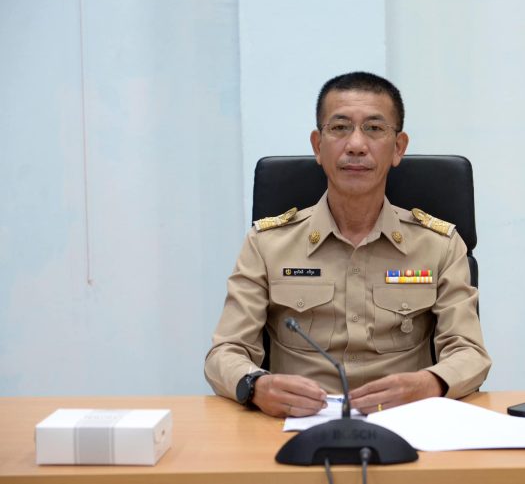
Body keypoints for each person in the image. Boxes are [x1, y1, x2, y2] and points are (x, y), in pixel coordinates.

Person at [204, 71, 491, 417]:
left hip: (405, 423)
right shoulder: (267, 245)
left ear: (398, 148)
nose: (356, 144)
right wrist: (255, 386)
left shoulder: (439, 246)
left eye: (374, 128)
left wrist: (430, 383)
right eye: (340, 128)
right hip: (295, 426)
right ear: (317, 146)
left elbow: (470, 353)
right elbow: (225, 353)